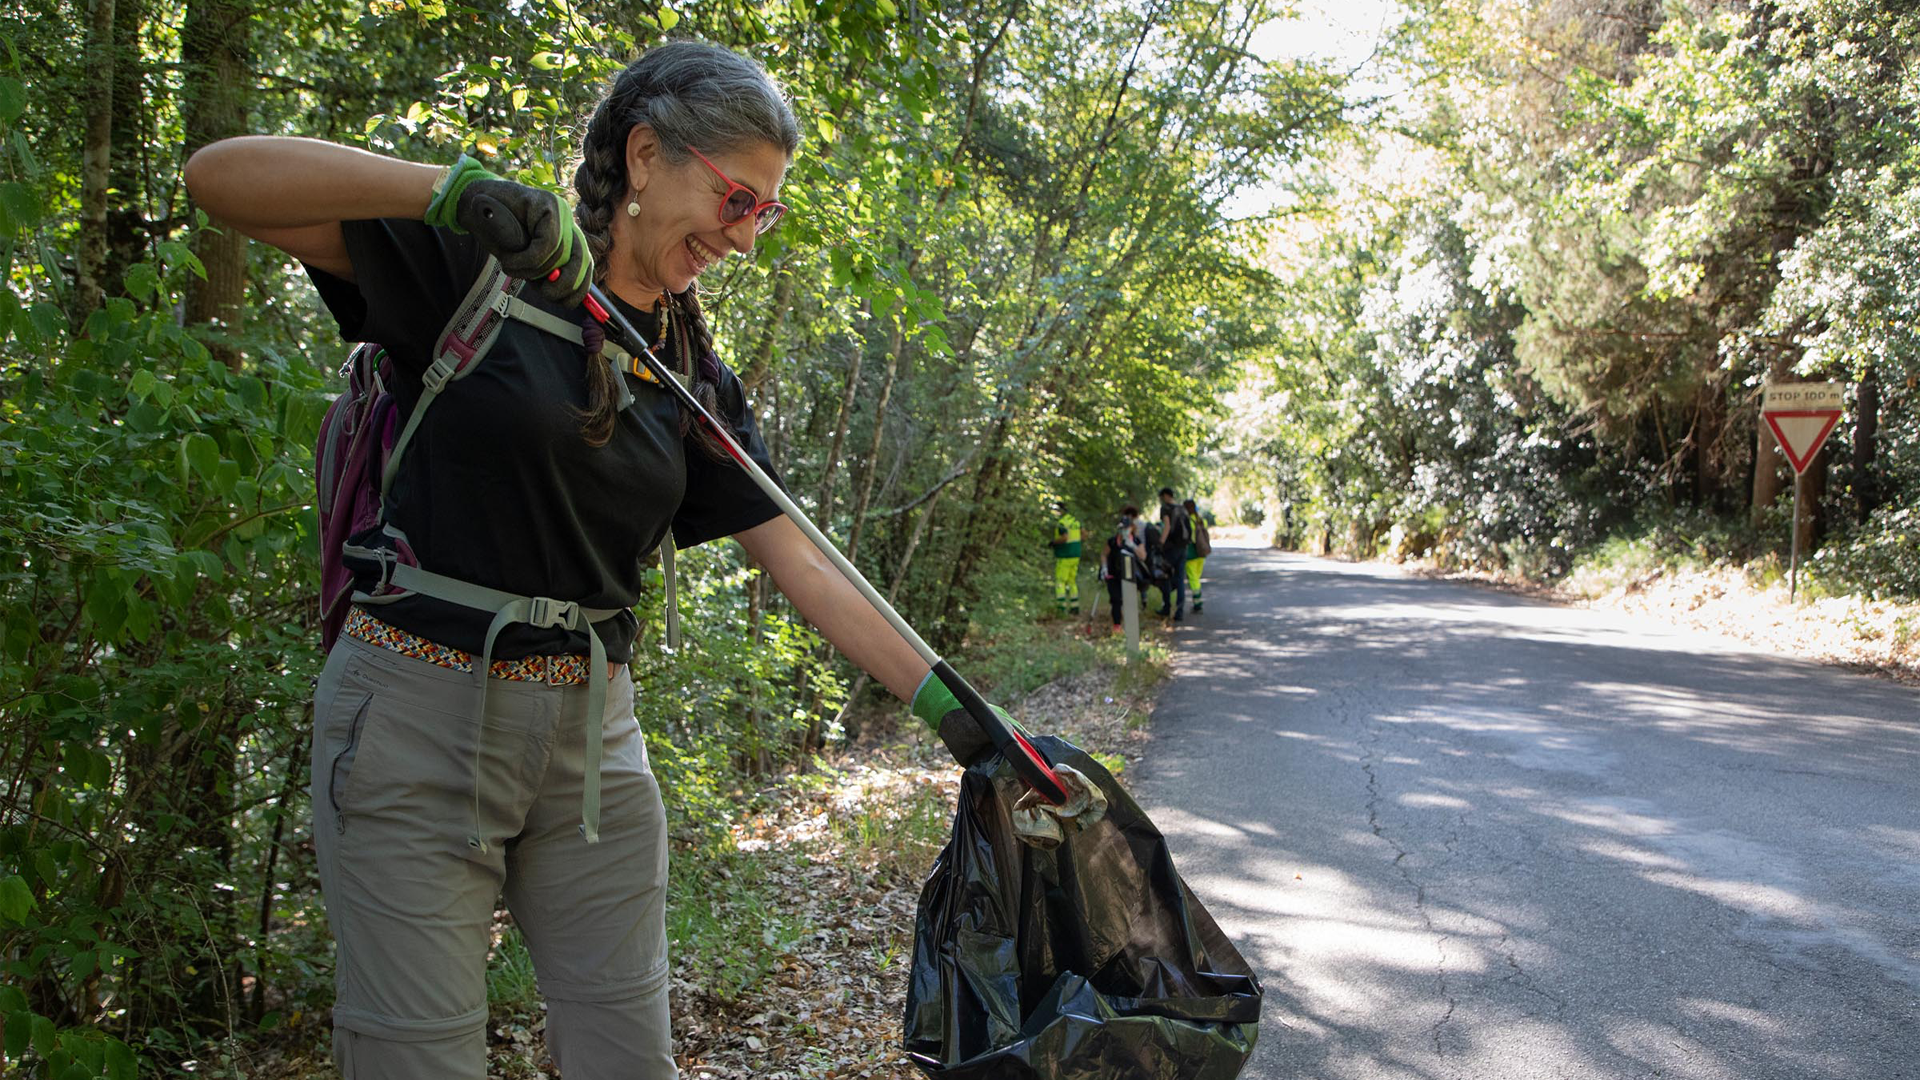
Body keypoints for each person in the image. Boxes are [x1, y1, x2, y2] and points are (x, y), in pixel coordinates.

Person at [184, 41, 1015, 1080]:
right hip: (411, 724)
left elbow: (801, 558)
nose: (745, 237)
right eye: (737, 198)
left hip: (595, 746)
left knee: (629, 1058)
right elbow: (220, 178)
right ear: (645, 154)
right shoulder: (474, 270)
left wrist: (966, 725)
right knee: (416, 1062)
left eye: (766, 213)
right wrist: (452, 193)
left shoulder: (684, 373)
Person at [1100, 506, 1149, 632]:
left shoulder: (1136, 541)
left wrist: (1132, 545)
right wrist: (1104, 568)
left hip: (1130, 576)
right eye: (1121, 528)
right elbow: (1104, 554)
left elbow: (1143, 556)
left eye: (1126, 528)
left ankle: (1131, 627)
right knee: (1116, 600)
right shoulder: (1112, 541)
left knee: (1129, 600)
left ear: (1131, 528)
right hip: (1113, 576)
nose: (1124, 531)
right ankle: (1117, 625)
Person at [1155, 487, 1191, 621]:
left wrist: (1160, 543)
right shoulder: (1182, 508)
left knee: (1165, 576)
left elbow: (1167, 526)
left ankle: (1166, 607)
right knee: (1180, 579)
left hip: (1171, 548)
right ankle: (1180, 610)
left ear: (1165, 496)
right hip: (1183, 547)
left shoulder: (1166, 509)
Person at [1049, 501, 1082, 615]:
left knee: (1060, 581)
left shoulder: (1062, 523)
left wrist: (1053, 542)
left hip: (1064, 555)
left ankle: (1061, 608)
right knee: (1072, 581)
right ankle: (1075, 606)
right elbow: (1084, 534)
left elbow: (1065, 537)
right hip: (1076, 555)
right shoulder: (1075, 522)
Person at [1183, 497, 1209, 613]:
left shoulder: (1187, 521)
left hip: (1191, 553)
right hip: (1202, 552)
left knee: (1193, 579)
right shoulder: (1201, 520)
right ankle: (1197, 601)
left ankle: (1197, 603)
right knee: (1197, 577)